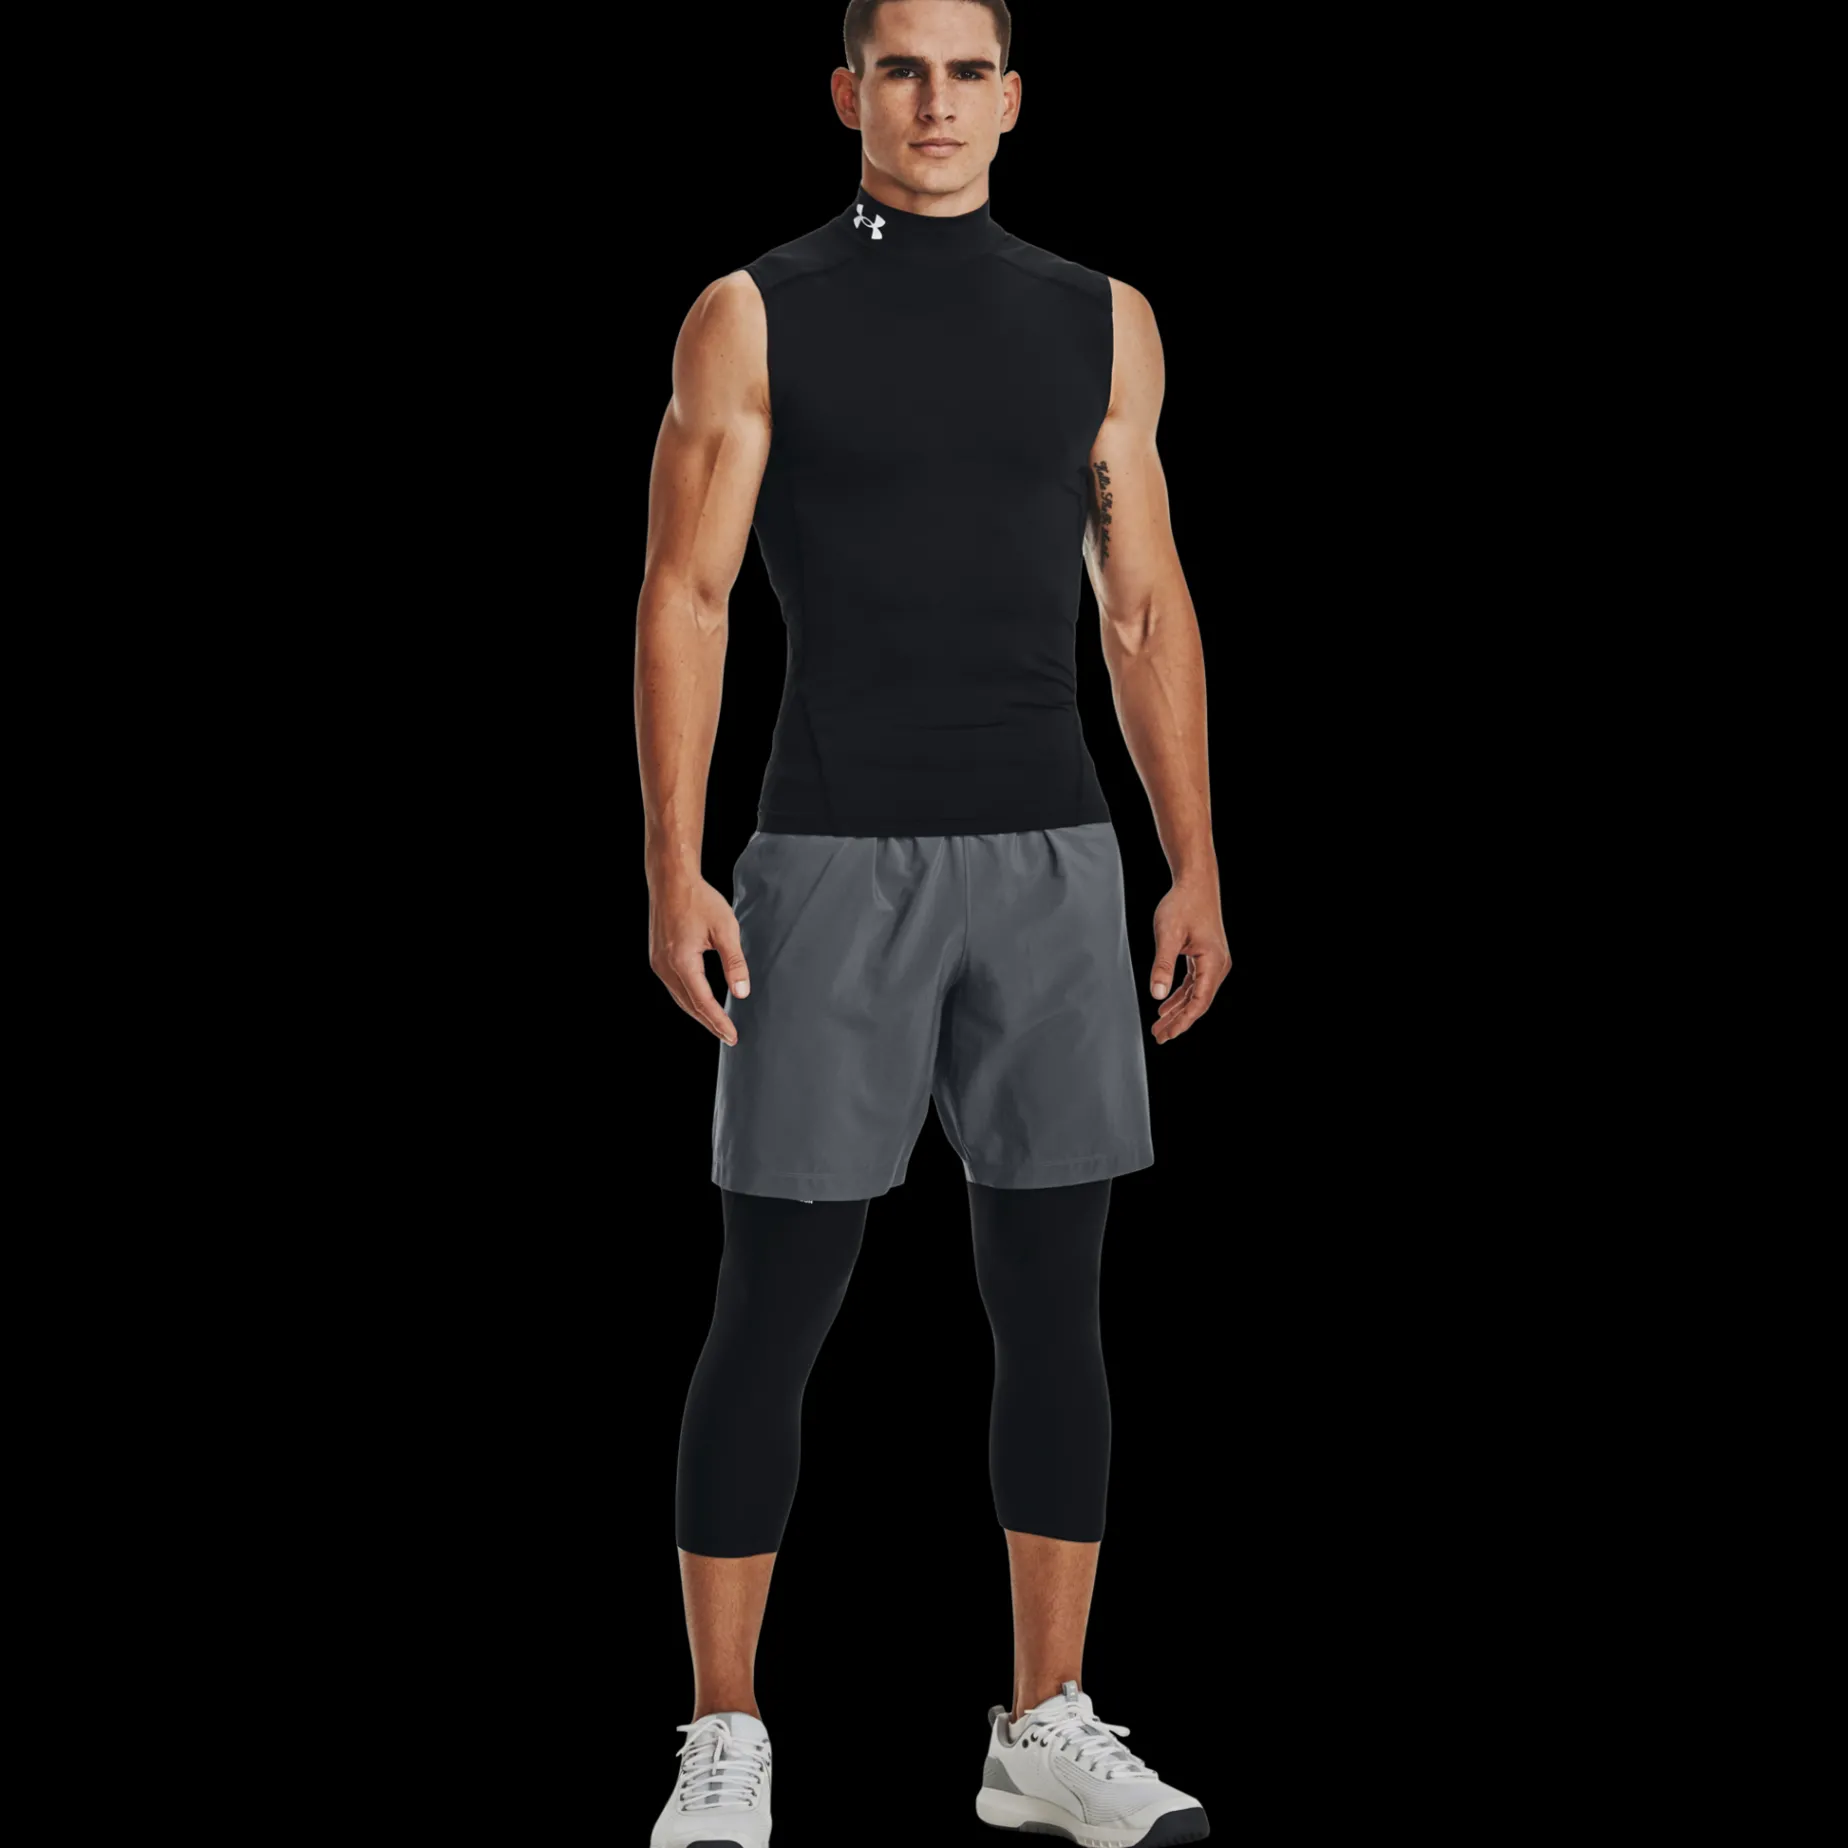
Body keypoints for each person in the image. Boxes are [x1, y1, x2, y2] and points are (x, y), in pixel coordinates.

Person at [636, 4, 1228, 1842]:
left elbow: (1143, 603)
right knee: (775, 1297)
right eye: (902, 67)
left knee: (1055, 1297)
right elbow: (686, 596)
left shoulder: (1100, 318)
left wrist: (1194, 854)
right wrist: (671, 865)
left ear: (1015, 98)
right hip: (827, 855)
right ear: (849, 94)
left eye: (969, 70)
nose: (937, 101)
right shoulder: (755, 311)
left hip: (1053, 857)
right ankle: (726, 1729)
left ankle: (1042, 1724)